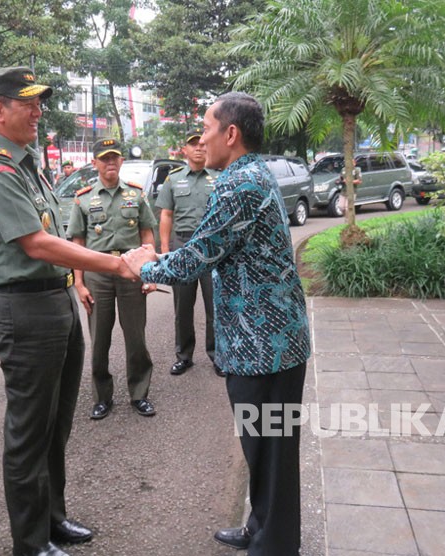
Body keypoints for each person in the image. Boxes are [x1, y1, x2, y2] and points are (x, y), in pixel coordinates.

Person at [122, 92, 311, 556]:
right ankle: (260, 528)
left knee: (270, 453)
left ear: (231, 133)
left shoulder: (239, 185)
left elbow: (194, 260)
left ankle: (275, 546)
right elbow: (208, 251)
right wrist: (158, 258)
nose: (201, 138)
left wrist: (143, 265)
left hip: (267, 349)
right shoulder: (247, 175)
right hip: (265, 344)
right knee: (261, 449)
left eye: (206, 128)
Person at [0, 66, 137, 556]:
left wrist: (79, 281)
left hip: (56, 301)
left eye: (39, 102)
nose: (39, 112)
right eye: (29, 103)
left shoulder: (27, 164)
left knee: (57, 423)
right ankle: (30, 542)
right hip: (26, 313)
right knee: (28, 433)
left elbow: (57, 240)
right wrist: (115, 263)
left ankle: (53, 518)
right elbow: (39, 244)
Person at [67, 138, 159, 420]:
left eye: (114, 158)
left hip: (131, 271)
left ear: (121, 161)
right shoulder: (82, 199)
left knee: (136, 336)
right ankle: (102, 396)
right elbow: (77, 245)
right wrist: (79, 284)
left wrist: (149, 272)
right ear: (94, 163)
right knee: (100, 339)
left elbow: (147, 235)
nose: (110, 163)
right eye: (104, 158)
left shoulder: (136, 194)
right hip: (97, 275)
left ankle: (139, 393)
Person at [155, 127, 222, 377]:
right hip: (182, 247)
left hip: (212, 248)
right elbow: (166, 215)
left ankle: (218, 355)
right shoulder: (173, 179)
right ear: (185, 149)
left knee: (215, 304)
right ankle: (183, 355)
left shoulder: (219, 176)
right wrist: (165, 252)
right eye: (193, 144)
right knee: (182, 306)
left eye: (202, 143)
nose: (199, 148)